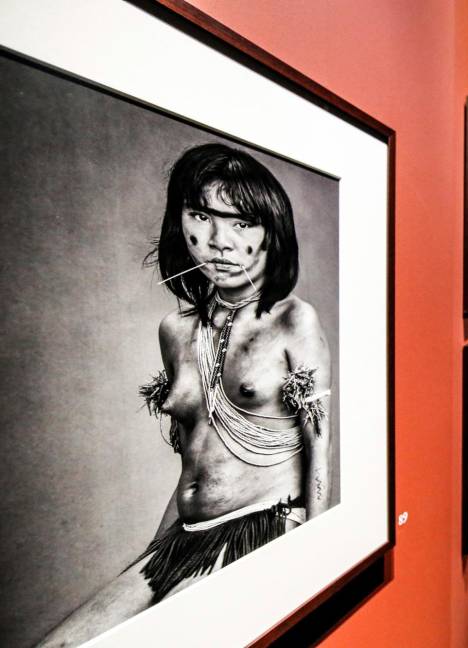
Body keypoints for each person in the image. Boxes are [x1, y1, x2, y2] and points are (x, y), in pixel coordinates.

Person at [39, 143, 332, 646]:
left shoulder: (294, 320)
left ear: (271, 231)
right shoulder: (175, 331)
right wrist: (152, 556)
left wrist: (313, 559)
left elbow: (319, 449)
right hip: (182, 537)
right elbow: (194, 460)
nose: (219, 241)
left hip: (262, 526)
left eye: (242, 223)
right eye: (202, 217)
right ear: (181, 222)